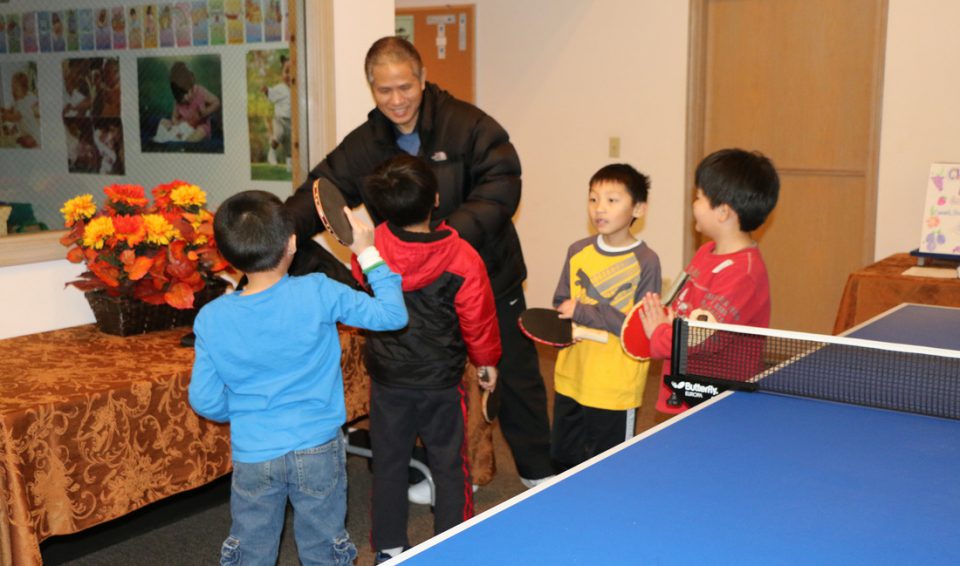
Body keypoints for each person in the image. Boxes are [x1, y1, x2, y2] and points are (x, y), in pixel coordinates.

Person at [284, 36, 555, 490]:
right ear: (372, 87)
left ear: (424, 79)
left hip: (487, 274)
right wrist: (273, 234)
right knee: (426, 381)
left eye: (405, 87)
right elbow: (318, 193)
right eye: (384, 90)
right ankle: (440, 470)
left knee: (514, 373)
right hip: (417, 290)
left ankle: (538, 472)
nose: (396, 100)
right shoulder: (365, 143)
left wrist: (444, 242)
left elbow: (502, 185)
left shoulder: (469, 125)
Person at [188, 190, 408, 565]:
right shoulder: (318, 290)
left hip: (254, 453)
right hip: (318, 446)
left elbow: (205, 400)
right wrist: (366, 250)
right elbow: (392, 315)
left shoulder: (211, 317)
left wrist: (245, 412)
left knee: (251, 549)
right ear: (291, 242)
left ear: (227, 255)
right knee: (325, 546)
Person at [350, 155, 500, 564]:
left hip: (388, 380)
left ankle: (388, 548)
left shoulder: (371, 247)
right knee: (451, 465)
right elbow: (479, 320)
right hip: (442, 384)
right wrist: (487, 363)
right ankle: (453, 545)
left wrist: (365, 246)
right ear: (435, 198)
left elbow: (364, 282)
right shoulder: (463, 257)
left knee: (390, 465)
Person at [637, 148, 780, 415]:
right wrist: (664, 314)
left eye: (700, 197)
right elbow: (685, 305)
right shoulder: (706, 252)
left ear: (723, 212)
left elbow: (702, 340)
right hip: (684, 389)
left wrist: (658, 334)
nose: (694, 204)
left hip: (714, 402)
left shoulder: (743, 275)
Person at [551, 164, 661, 471]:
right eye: (593, 199)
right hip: (571, 378)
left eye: (612, 200)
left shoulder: (647, 262)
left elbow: (638, 329)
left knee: (608, 468)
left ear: (638, 208)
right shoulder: (577, 251)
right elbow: (562, 302)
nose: (600, 208)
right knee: (564, 461)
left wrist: (584, 312)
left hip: (616, 387)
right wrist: (566, 320)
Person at [157, 61, 220, 143]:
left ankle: (185, 141)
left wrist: (204, 113)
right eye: (182, 98)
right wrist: (177, 127)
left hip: (199, 126)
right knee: (163, 122)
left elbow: (217, 102)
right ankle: (176, 138)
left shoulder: (200, 92)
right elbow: (174, 117)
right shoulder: (178, 101)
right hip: (184, 128)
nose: (186, 98)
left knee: (199, 132)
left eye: (187, 93)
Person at [260, 54, 291, 169]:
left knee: (289, 145)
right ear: (282, 74)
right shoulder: (281, 88)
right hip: (280, 119)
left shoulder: (297, 89)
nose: (289, 75)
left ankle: (290, 165)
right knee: (278, 134)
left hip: (291, 123)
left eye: (292, 72)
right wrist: (266, 90)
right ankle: (271, 153)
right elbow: (271, 93)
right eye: (286, 72)